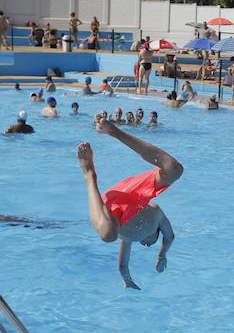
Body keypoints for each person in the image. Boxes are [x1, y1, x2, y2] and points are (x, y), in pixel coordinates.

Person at [75, 120, 181, 289]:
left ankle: (90, 176)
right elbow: (170, 237)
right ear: (156, 234)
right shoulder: (157, 214)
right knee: (175, 169)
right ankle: (114, 131)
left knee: (109, 234)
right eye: (152, 243)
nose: (146, 244)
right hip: (134, 196)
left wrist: (128, 281)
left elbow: (123, 266)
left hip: (109, 214)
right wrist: (162, 254)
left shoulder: (129, 238)